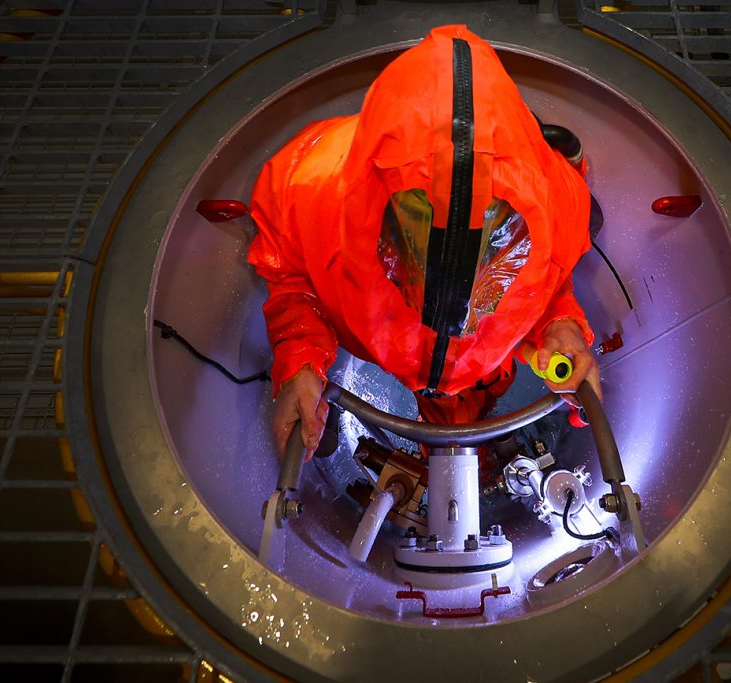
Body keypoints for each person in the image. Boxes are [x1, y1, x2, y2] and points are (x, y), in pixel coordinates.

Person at [248, 24, 601, 459]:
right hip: (421, 359)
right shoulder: (306, 188)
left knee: (473, 407)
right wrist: (300, 361)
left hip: (487, 368)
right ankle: (452, 437)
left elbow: (552, 280)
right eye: (411, 247)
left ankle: (467, 436)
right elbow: (290, 278)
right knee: (453, 414)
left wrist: (560, 328)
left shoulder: (556, 201)